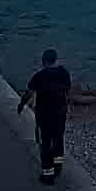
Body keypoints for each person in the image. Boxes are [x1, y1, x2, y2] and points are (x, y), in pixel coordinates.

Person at [17, 49, 73, 182]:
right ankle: (58, 166)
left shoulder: (39, 76)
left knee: (45, 143)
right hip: (60, 112)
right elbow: (67, 89)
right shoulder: (64, 73)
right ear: (56, 59)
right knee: (58, 139)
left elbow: (29, 93)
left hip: (44, 114)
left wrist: (21, 105)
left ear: (44, 61)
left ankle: (48, 174)